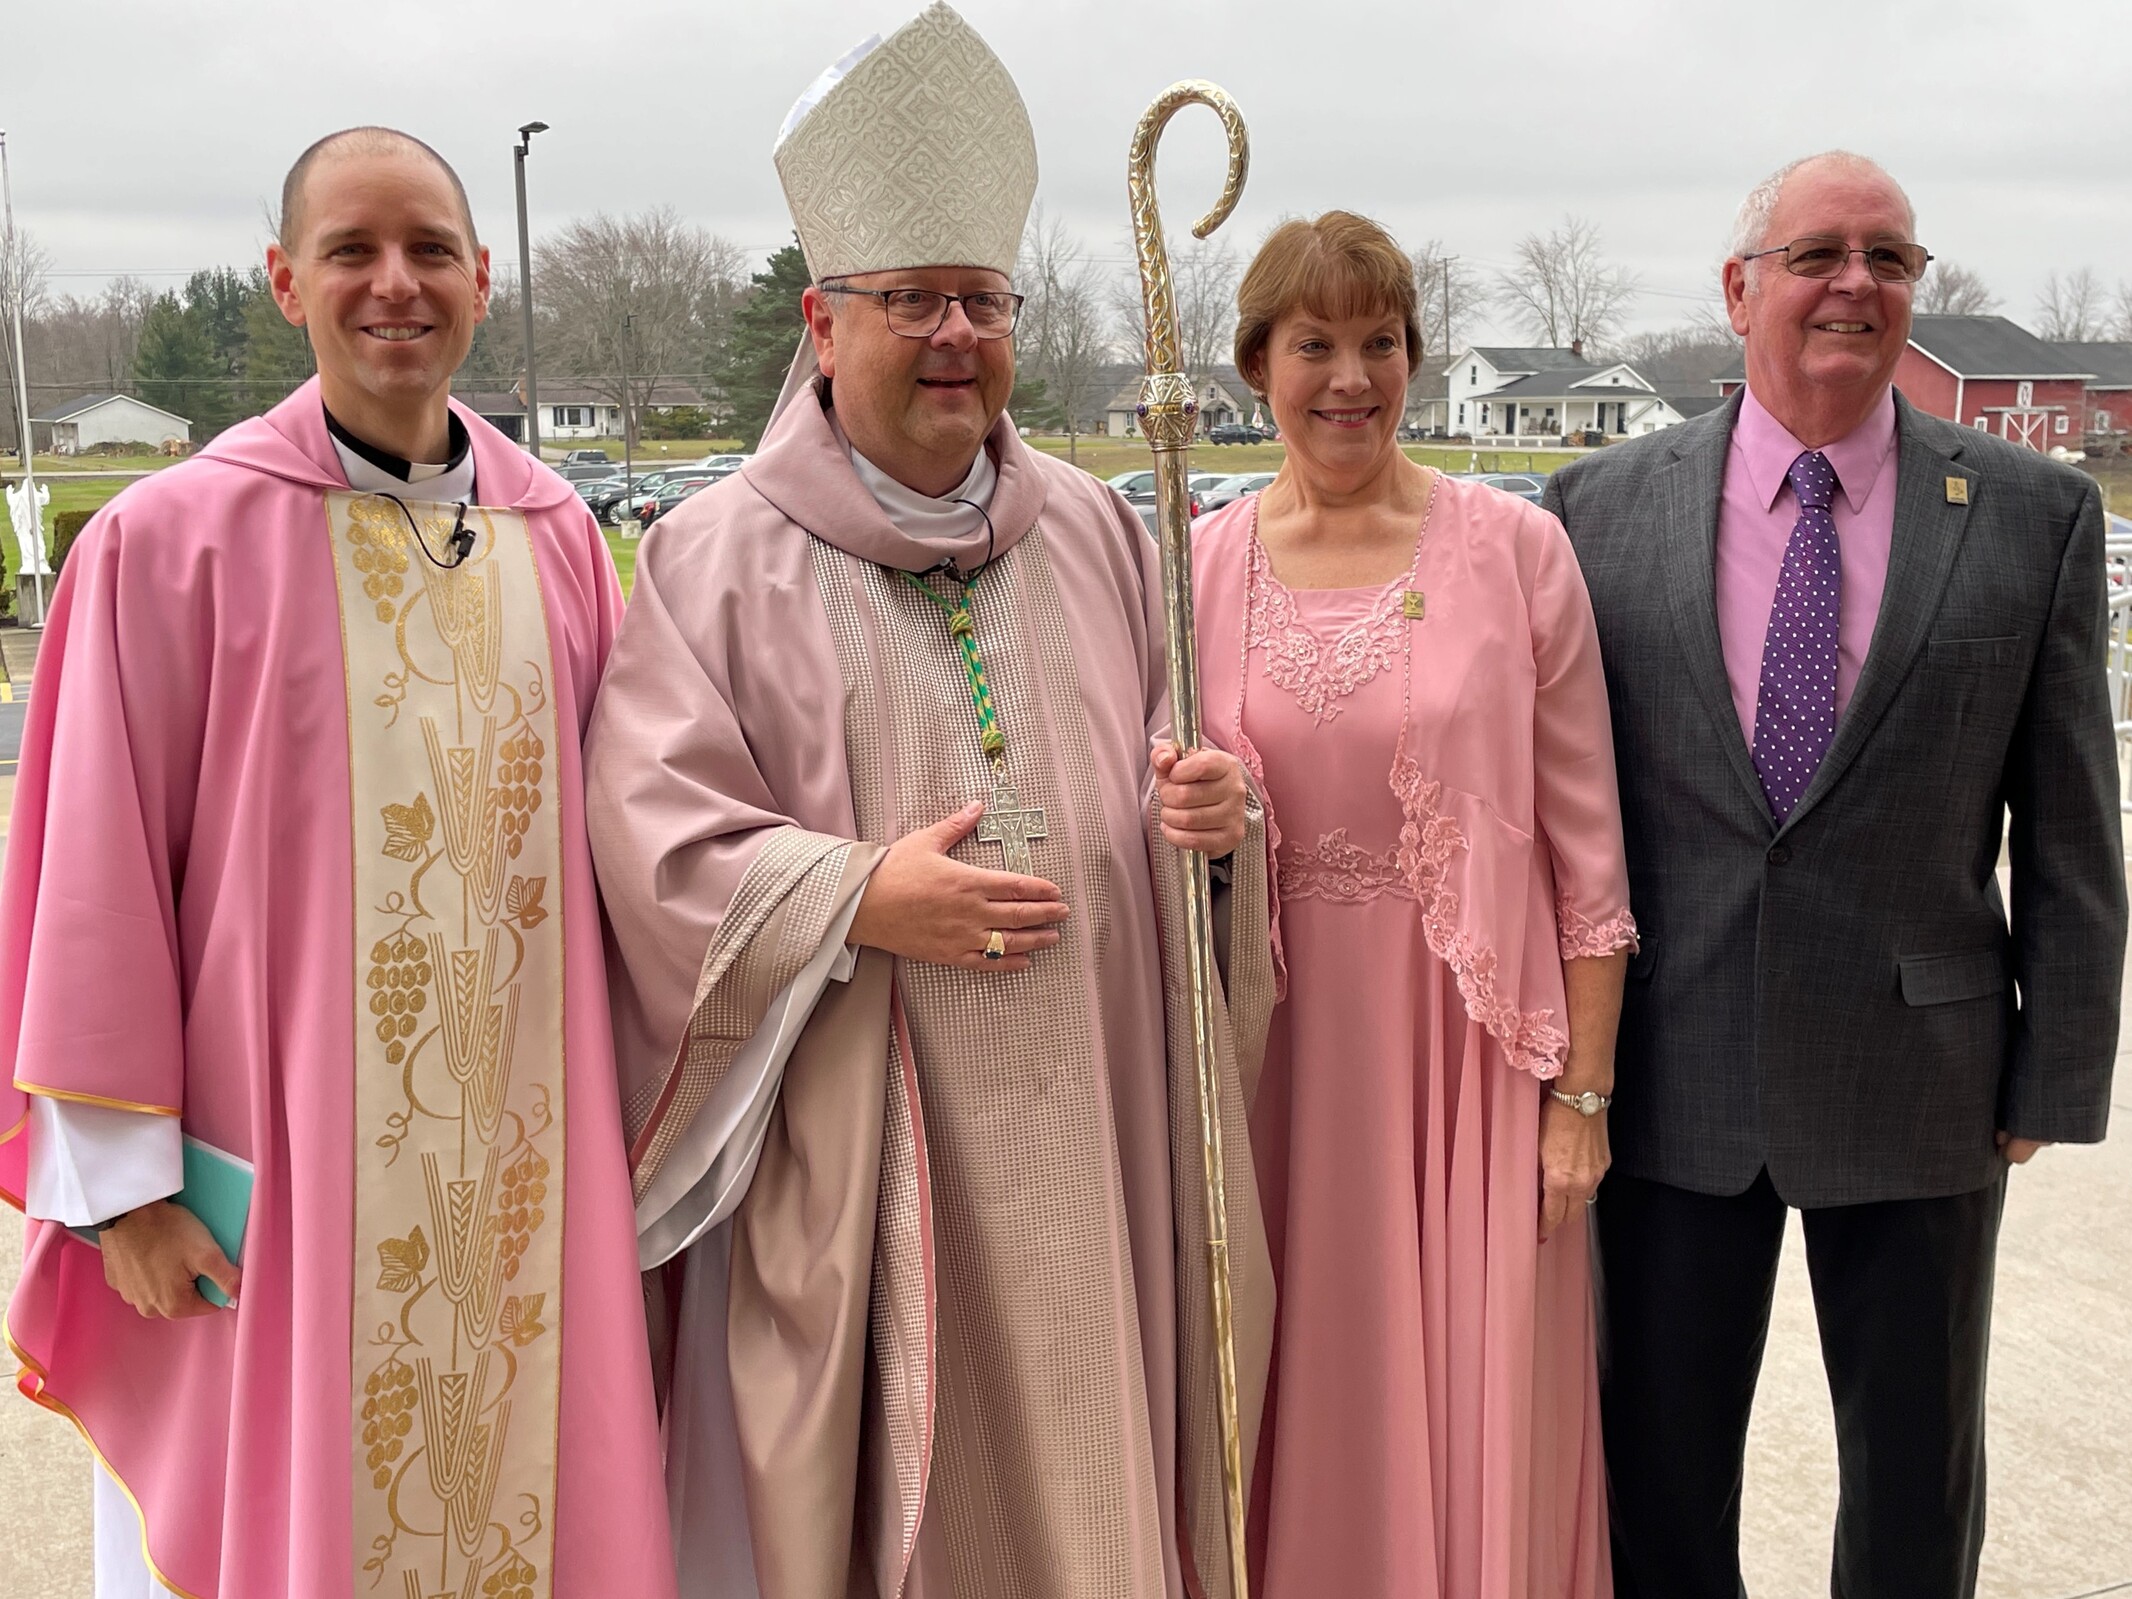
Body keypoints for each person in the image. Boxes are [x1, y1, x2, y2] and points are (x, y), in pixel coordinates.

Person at [584, 7, 1276, 1597]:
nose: (957, 333)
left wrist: (1219, 823)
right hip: (875, 1139)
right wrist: (855, 895)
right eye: (912, 300)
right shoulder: (713, 557)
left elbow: (1181, 758)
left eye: (984, 299)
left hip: (1098, 1123)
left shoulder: (1096, 530)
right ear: (823, 325)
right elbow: (659, 840)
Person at [0, 128, 675, 1599]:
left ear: (481, 278)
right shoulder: (171, 542)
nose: (394, 285)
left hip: (522, 1176)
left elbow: (636, 835)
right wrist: (122, 1195)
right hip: (279, 1180)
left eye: (429, 250)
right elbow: (94, 878)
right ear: (284, 281)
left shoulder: (557, 537)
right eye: (351, 252)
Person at [1547, 151, 2125, 1598]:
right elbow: (1550, 809)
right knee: (1657, 1488)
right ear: (1740, 289)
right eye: (1816, 254)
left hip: (1923, 1081)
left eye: (1890, 257)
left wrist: (2053, 1073)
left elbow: (2072, 830)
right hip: (1672, 1073)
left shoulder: (2034, 516)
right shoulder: (1592, 511)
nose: (1855, 284)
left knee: (1916, 1496)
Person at [1191, 211, 1633, 1597]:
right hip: (1271, 1060)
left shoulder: (1517, 553)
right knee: (1285, 1382)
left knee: (1470, 1400)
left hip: (1467, 1066)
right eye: (1314, 344)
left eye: (1380, 343)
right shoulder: (1192, 566)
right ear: (1256, 365)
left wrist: (1581, 1101)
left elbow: (1589, 854)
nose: (1351, 378)